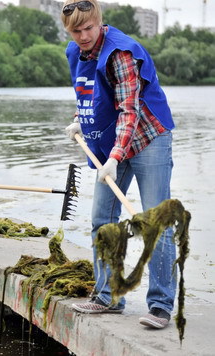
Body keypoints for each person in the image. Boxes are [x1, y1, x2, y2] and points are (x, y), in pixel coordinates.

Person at [61, 0, 176, 329]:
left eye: (88, 28)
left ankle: (160, 306)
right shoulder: (77, 52)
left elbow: (129, 110)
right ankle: (108, 297)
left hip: (148, 138)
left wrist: (113, 158)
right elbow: (94, 94)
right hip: (114, 141)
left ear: (99, 21)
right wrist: (81, 120)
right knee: (101, 219)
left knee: (156, 222)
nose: (83, 35)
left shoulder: (121, 53)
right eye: (76, 30)